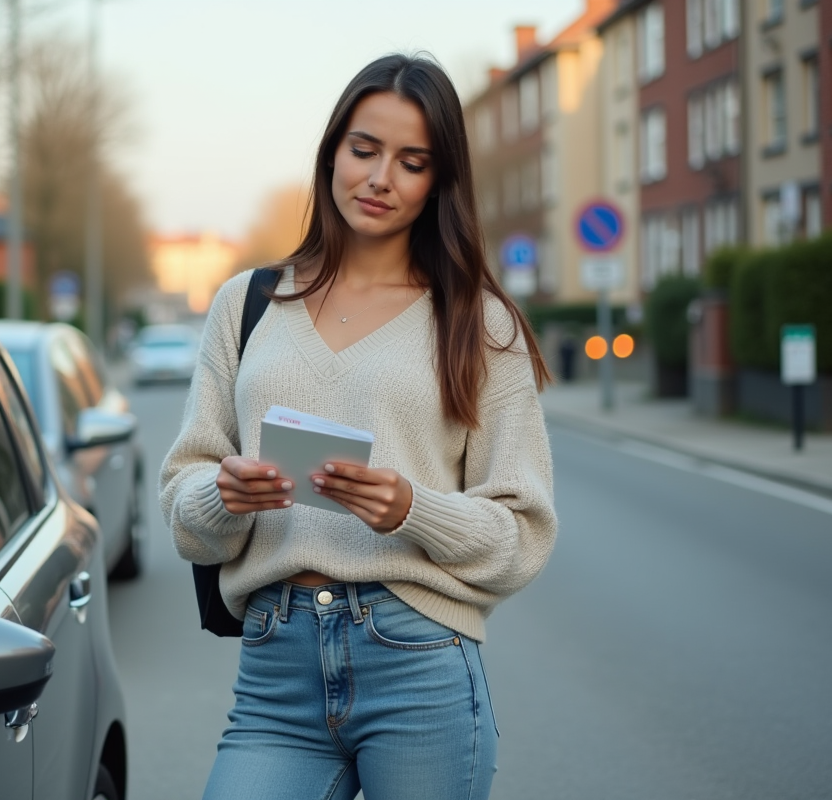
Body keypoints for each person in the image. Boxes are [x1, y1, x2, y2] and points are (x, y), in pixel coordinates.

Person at [159, 53, 558, 800]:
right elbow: (187, 511)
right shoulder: (247, 304)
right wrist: (224, 494)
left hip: (418, 661)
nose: (379, 179)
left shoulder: (479, 321)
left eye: (412, 162)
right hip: (276, 665)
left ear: (439, 181)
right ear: (333, 151)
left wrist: (414, 508)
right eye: (364, 150)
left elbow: (522, 534)